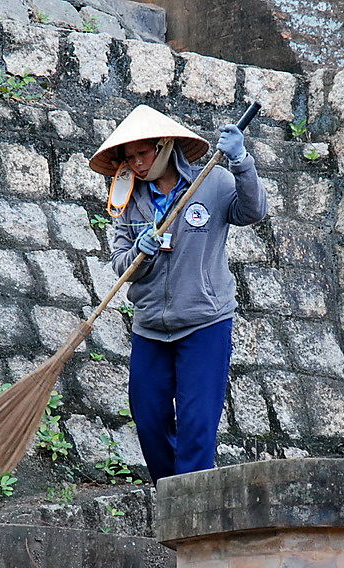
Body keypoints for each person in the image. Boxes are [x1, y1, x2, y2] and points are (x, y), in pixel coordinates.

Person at [88, 105, 268, 484]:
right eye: (130, 157)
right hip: (151, 325)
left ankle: (193, 512)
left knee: (196, 424)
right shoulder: (128, 198)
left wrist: (241, 161)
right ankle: (172, 497)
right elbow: (120, 261)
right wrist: (139, 249)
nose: (137, 164)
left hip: (205, 321)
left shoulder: (212, 182)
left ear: (166, 145)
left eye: (144, 153)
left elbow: (252, 211)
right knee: (149, 418)